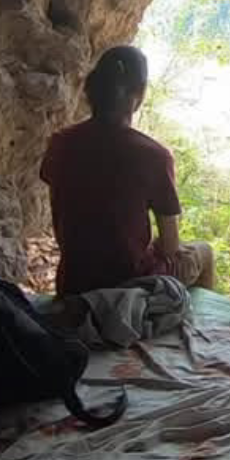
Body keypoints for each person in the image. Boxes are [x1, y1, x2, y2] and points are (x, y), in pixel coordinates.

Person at [40, 45, 216, 295]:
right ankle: (189, 322)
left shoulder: (61, 142)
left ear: (93, 89)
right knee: (204, 252)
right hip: (131, 288)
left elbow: (66, 210)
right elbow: (169, 247)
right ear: (140, 93)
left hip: (73, 282)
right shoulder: (153, 155)